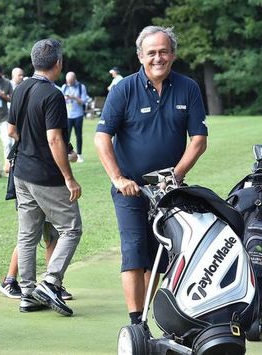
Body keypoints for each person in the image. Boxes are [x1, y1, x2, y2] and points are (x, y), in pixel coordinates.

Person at [94, 26, 208, 325]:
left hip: (168, 192)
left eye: (164, 51)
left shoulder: (188, 88)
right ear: (140, 56)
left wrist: (176, 175)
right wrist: (118, 179)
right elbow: (102, 137)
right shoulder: (123, 90)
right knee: (133, 252)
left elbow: (198, 139)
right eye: (152, 53)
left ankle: (144, 315)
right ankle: (136, 322)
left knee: (159, 256)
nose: (158, 58)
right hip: (130, 189)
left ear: (173, 54)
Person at [8, 38, 82, 315]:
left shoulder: (20, 88)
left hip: (21, 172)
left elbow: (11, 131)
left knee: (27, 235)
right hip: (45, 175)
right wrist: (69, 177)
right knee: (71, 228)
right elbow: (54, 139)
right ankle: (51, 282)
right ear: (59, 63)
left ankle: (28, 294)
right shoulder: (52, 94)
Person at [60, 71, 88, 163]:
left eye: (71, 81)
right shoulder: (64, 87)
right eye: (68, 81)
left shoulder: (81, 87)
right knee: (66, 136)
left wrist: (74, 98)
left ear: (74, 79)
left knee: (78, 135)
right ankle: (66, 154)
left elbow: (83, 101)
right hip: (68, 115)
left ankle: (79, 155)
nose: (69, 83)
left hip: (78, 115)